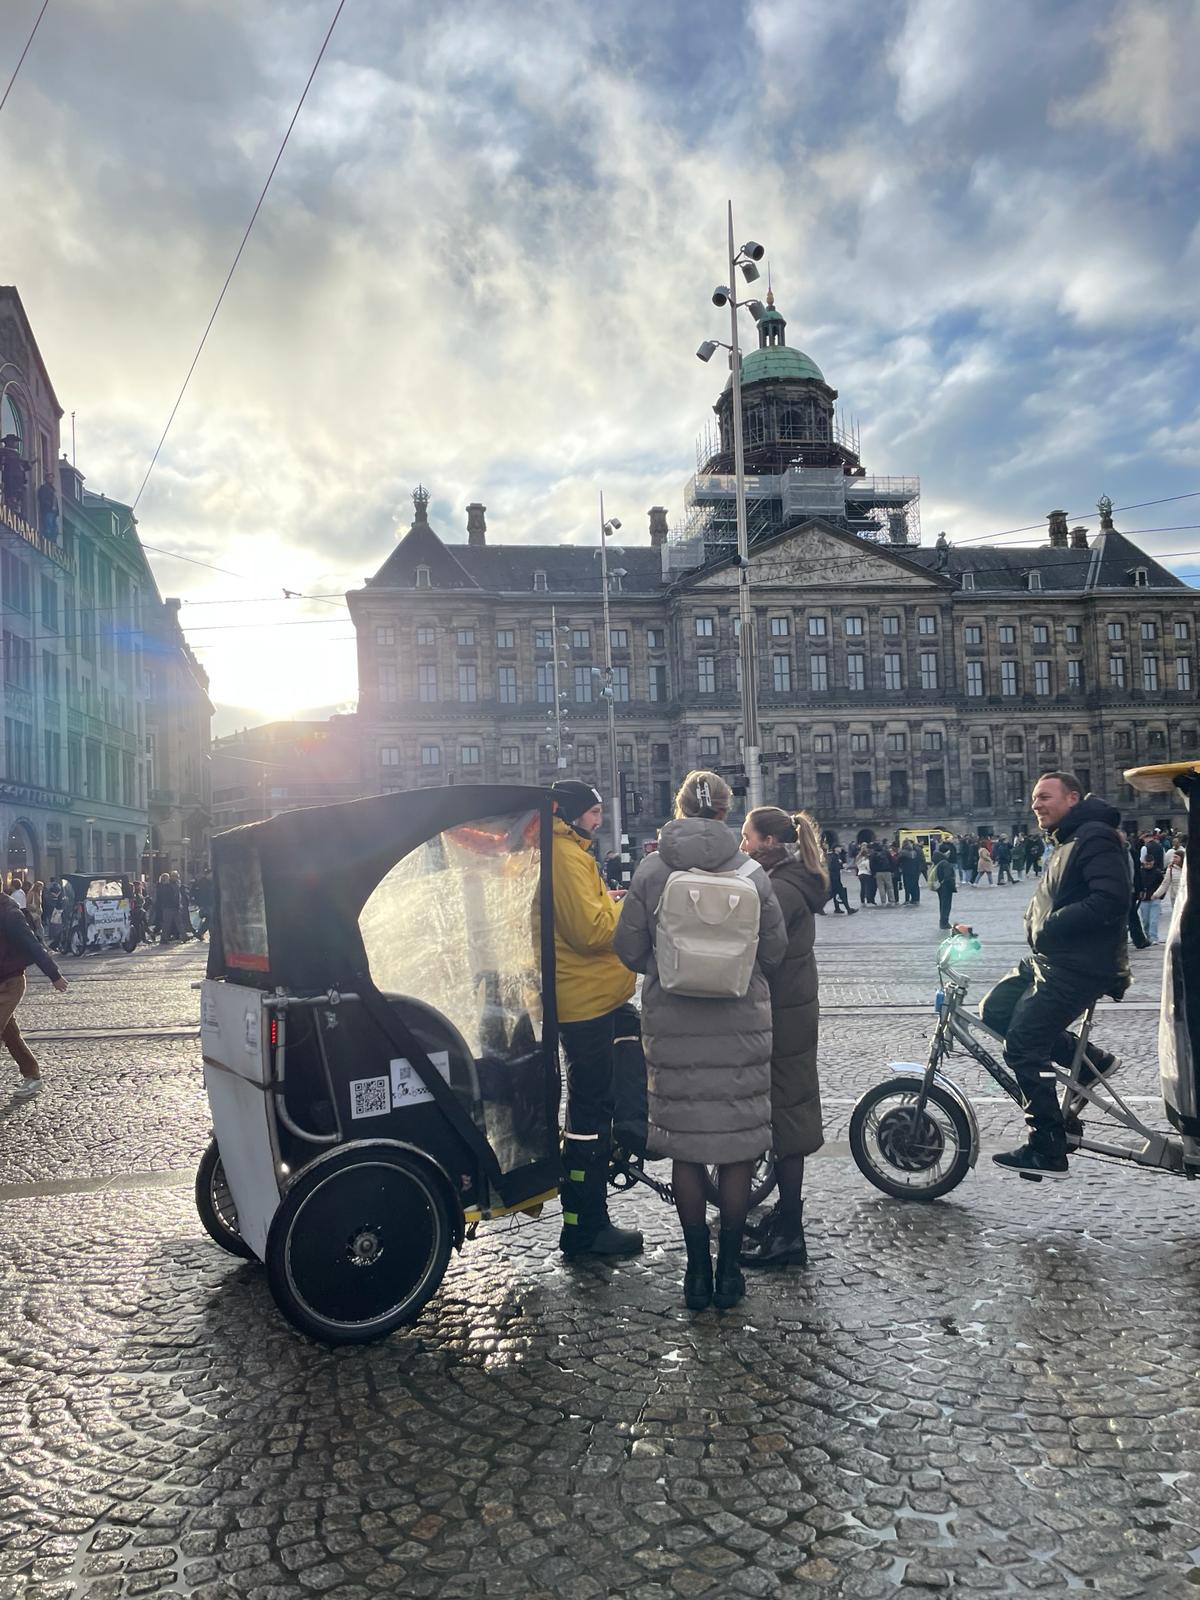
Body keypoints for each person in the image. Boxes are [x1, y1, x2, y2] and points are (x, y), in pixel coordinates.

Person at [613, 770, 786, 1310]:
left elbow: (626, 946)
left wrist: (668, 970)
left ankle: (695, 1273)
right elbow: (775, 952)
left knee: (687, 1152)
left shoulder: (651, 869)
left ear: (680, 808)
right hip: (741, 1023)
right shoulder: (753, 872)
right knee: (736, 1151)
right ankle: (730, 1272)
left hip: (674, 1024)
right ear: (725, 813)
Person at [984, 773, 1131, 1180]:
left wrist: (1051, 925)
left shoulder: (1094, 836)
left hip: (1078, 965)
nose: (1036, 804)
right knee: (994, 1009)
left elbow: (1112, 898)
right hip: (1052, 958)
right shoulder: (1069, 837)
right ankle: (1090, 1064)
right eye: (1033, 798)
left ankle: (1047, 1145)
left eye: (1044, 797)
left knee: (1023, 1045)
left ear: (1072, 797)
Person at [549, 779, 642, 1260]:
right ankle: (586, 1228)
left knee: (595, 1106)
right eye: (593, 812)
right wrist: (627, 910)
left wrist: (611, 900)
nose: (600, 819)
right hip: (583, 1001)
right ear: (572, 814)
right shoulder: (565, 856)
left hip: (593, 996)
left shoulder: (570, 851)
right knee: (589, 1116)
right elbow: (588, 932)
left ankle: (587, 1220)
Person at [737, 807, 827, 1269]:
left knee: (787, 1120)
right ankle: (785, 1216)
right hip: (791, 1012)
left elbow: (758, 954)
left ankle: (790, 1231)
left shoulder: (780, 890)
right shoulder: (791, 879)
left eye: (748, 837)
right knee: (786, 1113)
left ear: (770, 842)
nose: (743, 844)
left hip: (780, 1016)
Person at [1, 884, 69, 1100]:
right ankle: (32, 1076)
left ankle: (33, 1077)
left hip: (10, 982)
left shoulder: (9, 913)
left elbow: (33, 945)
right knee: (9, 1033)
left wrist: (54, 975)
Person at [931, 847, 957, 929]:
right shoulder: (945, 863)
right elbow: (948, 876)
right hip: (946, 887)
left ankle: (942, 921)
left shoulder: (937, 864)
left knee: (942, 904)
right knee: (946, 905)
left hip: (940, 887)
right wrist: (952, 885)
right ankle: (944, 922)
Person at [825, 843, 854, 914]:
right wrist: (841, 866)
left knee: (833, 894)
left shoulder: (836, 856)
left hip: (835, 877)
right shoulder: (833, 856)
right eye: (839, 847)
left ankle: (837, 908)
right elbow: (831, 867)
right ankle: (849, 909)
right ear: (835, 848)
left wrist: (841, 866)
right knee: (841, 893)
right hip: (834, 878)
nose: (840, 849)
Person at [190, 867, 215, 940]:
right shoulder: (203, 883)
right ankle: (212, 935)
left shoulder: (209, 882)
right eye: (211, 874)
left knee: (209, 920)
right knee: (211, 920)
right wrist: (201, 904)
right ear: (208, 874)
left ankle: (200, 933)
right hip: (207, 904)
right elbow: (203, 895)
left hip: (209, 903)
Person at [899, 841, 924, 906]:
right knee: (915, 885)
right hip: (915, 871)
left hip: (906, 871)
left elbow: (898, 861)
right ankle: (916, 899)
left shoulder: (903, 852)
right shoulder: (915, 852)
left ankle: (907, 900)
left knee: (907, 886)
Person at [871, 840, 895, 907]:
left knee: (881, 888)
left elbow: (871, 864)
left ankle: (883, 902)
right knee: (890, 887)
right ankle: (891, 901)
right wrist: (892, 870)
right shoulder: (886, 852)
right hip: (887, 871)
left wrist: (873, 873)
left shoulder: (873, 854)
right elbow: (892, 861)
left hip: (878, 872)